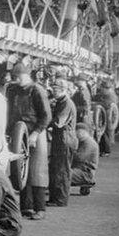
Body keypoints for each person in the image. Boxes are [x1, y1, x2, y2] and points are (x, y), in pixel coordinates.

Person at [5, 62, 51, 220]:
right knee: (20, 170)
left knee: (37, 171)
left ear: (26, 76)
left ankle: (40, 208)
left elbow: (46, 116)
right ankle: (26, 207)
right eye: (14, 77)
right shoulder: (13, 90)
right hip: (18, 134)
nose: (15, 80)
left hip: (35, 133)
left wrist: (36, 133)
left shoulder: (37, 90)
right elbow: (9, 112)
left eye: (17, 77)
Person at [47, 79, 78, 207]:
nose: (53, 92)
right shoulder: (61, 102)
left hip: (65, 139)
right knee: (55, 168)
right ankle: (55, 198)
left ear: (63, 90)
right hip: (60, 139)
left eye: (55, 90)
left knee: (62, 170)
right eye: (53, 89)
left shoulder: (66, 104)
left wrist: (45, 121)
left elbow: (58, 122)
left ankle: (61, 200)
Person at [71, 122, 100, 196]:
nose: (75, 134)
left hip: (85, 173)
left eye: (76, 132)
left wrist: (70, 152)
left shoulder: (88, 143)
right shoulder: (84, 142)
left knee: (63, 174)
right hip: (82, 170)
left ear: (82, 132)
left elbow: (79, 157)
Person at [95, 81, 119, 156]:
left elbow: (107, 105)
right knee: (106, 134)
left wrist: (96, 103)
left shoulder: (111, 96)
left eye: (102, 88)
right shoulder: (109, 94)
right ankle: (104, 150)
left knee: (106, 134)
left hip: (108, 117)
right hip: (107, 116)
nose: (101, 90)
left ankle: (106, 151)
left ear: (106, 89)